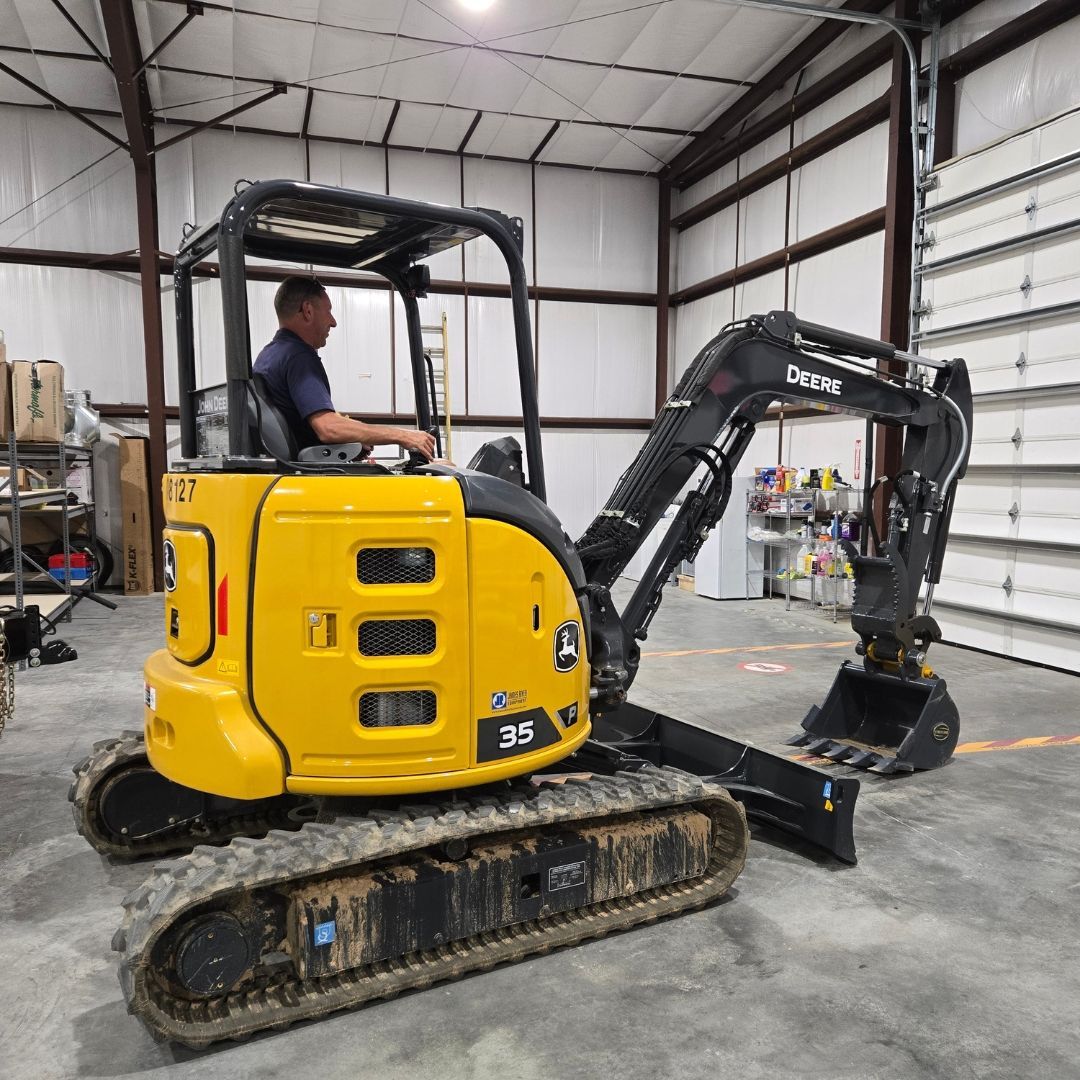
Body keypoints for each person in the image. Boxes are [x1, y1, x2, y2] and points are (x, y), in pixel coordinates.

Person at [252, 276, 435, 460]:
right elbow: (328, 428)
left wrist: (353, 434)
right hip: (308, 474)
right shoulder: (299, 357)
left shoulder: (268, 356)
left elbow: (310, 423)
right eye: (329, 311)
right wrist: (404, 436)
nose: (333, 322)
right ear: (308, 311)